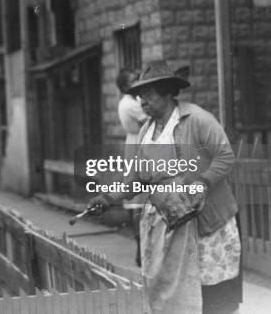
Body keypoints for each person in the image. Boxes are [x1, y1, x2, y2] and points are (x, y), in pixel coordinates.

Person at [89, 60, 241, 314]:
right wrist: (108, 198)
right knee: (171, 292)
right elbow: (137, 176)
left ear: (168, 92)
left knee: (211, 293)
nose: (142, 102)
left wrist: (202, 182)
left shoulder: (198, 120)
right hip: (168, 224)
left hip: (203, 223)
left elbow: (225, 157)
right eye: (139, 97)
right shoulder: (147, 129)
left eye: (148, 95)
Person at [116, 68, 147, 266]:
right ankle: (141, 247)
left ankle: (142, 248)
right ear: (126, 86)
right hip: (139, 145)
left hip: (135, 144)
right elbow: (149, 120)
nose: (139, 81)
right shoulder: (130, 104)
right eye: (134, 79)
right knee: (138, 199)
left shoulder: (133, 101)